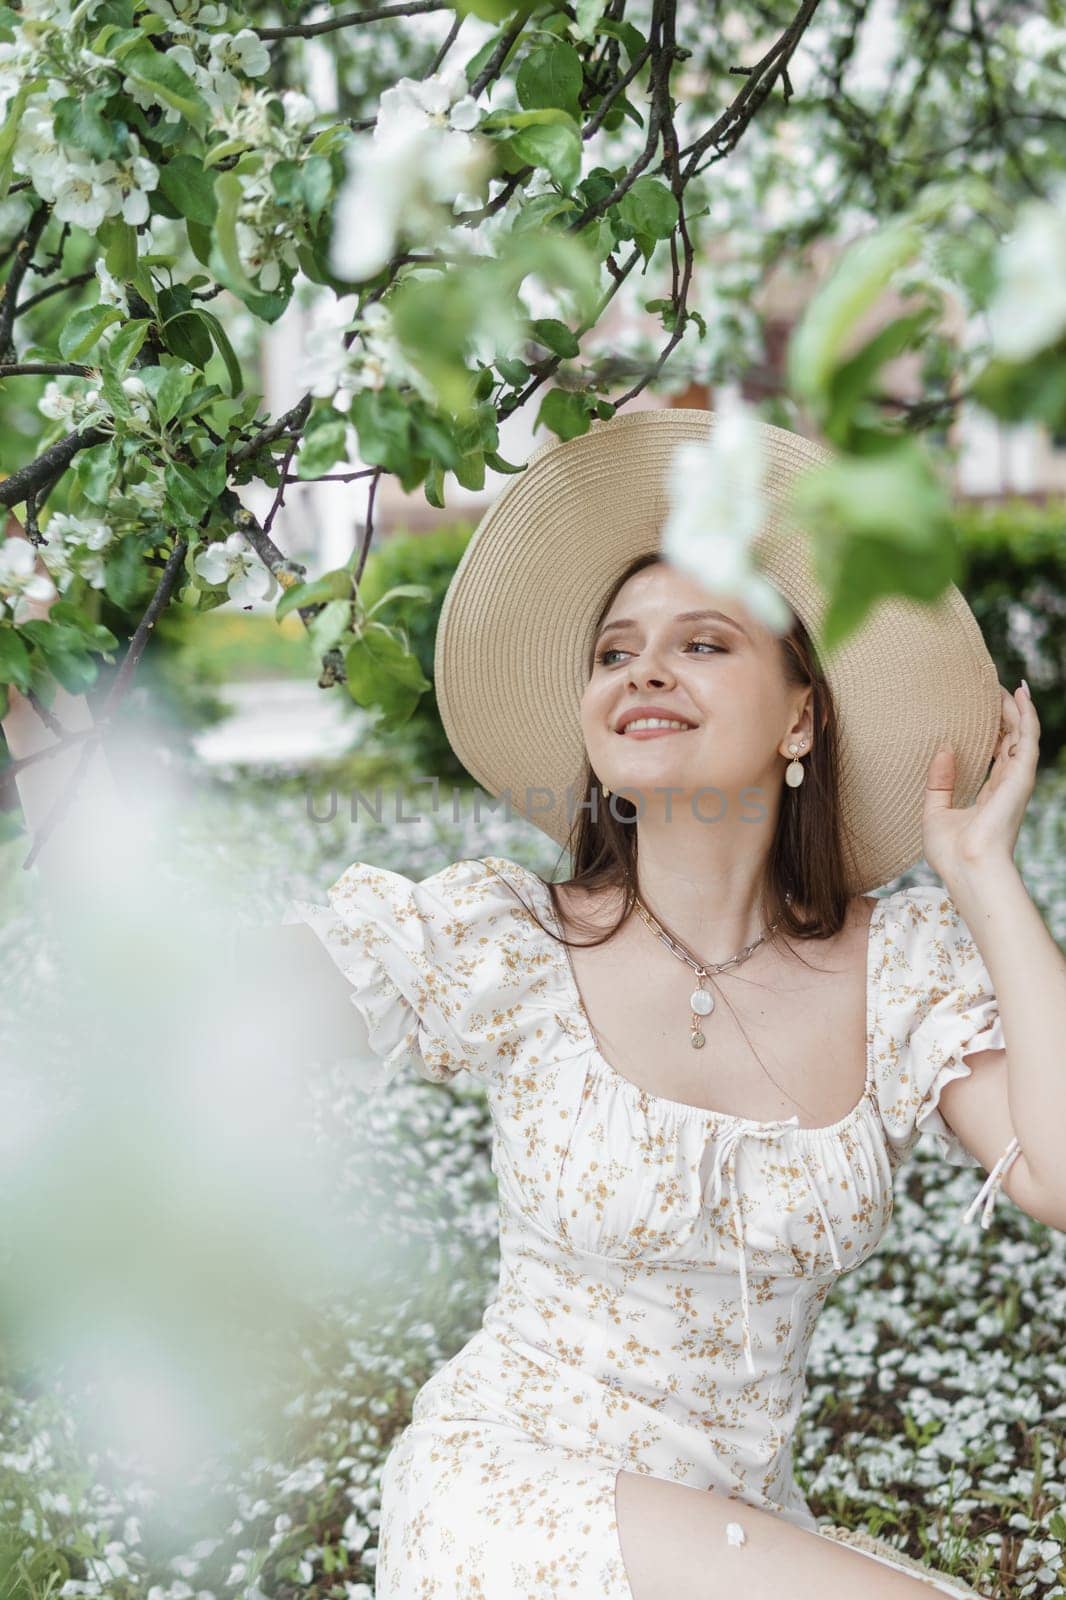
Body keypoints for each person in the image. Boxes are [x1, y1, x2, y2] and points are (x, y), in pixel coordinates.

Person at [3, 409, 1060, 1600]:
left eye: (704, 642)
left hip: (732, 1535)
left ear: (802, 713)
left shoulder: (901, 967)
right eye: (614, 652)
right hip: (508, 1503)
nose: (644, 670)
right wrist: (69, 780)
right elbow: (208, 997)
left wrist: (983, 878)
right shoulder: (507, 940)